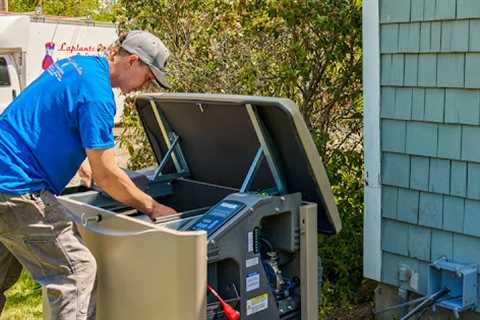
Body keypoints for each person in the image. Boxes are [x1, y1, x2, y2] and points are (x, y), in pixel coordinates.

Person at [0, 30, 176, 319]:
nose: (146, 85)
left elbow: (47, 117)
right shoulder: (98, 97)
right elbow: (107, 176)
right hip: (17, 186)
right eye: (148, 77)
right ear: (133, 61)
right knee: (76, 273)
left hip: (4, 173)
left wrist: (83, 165)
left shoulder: (78, 65)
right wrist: (153, 207)